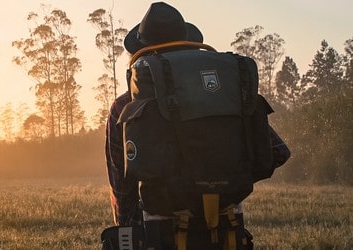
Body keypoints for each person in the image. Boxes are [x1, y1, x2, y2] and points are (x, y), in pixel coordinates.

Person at [104, 2, 291, 249]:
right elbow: (278, 152)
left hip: (160, 230)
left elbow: (122, 186)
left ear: (142, 50)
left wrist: (127, 226)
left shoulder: (125, 106)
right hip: (227, 228)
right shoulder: (225, 95)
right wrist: (224, 179)